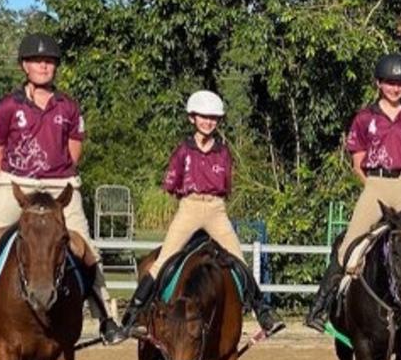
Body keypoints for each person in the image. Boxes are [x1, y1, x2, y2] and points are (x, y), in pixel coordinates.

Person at [0, 33, 120, 345]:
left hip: (60, 184)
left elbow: (74, 148)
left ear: (55, 67)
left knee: (86, 248)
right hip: (15, 181)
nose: (44, 66)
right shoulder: (8, 106)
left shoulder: (68, 107)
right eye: (37, 61)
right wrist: (13, 179)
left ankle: (105, 317)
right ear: (24, 66)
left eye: (49, 61)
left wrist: (55, 175)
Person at [118, 90, 281, 337]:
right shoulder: (183, 151)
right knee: (164, 259)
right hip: (190, 206)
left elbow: (226, 185)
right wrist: (188, 199)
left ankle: (264, 313)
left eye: (213, 118)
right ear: (192, 118)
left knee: (238, 259)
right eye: (203, 117)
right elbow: (171, 183)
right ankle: (133, 314)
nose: (208, 122)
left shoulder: (223, 152)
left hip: (215, 208)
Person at [305, 53, 401, 333]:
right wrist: (375, 185)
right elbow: (357, 162)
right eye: (389, 83)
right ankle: (320, 306)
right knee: (350, 245)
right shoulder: (364, 118)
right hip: (375, 184)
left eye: (400, 83)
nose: (395, 88)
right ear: (378, 83)